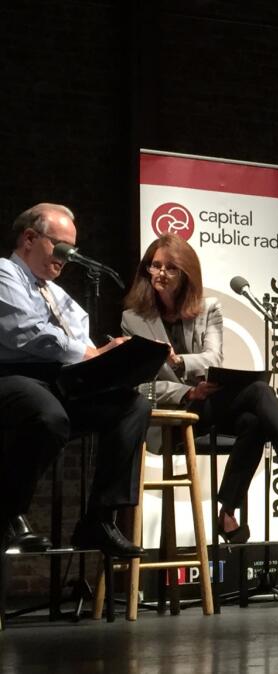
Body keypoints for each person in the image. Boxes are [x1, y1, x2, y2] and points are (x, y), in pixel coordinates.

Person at [121, 234, 278, 543]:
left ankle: (227, 512)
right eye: (155, 266)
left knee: (256, 416)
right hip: (168, 417)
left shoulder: (208, 308)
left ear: (186, 273)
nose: (161, 273)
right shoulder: (133, 320)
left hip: (205, 407)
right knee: (258, 397)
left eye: (171, 268)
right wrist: (185, 392)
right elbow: (140, 385)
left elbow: (214, 357)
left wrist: (179, 361)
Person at [0, 203, 149, 557]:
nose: (66, 258)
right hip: (13, 376)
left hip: (54, 381)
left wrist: (109, 354)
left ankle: (99, 518)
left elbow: (79, 331)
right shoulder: (5, 273)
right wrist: (88, 354)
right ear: (29, 238)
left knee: (132, 406)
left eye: (72, 251)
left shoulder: (53, 291)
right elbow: (27, 333)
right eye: (61, 247)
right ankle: (8, 515)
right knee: (48, 415)